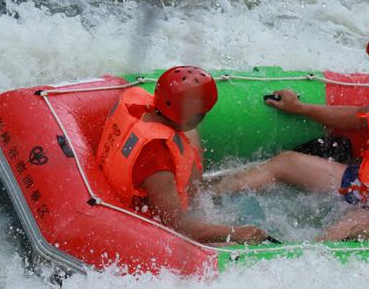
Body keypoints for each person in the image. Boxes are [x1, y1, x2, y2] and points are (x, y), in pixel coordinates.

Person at [212, 25, 369, 242]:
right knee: (285, 162)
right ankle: (207, 197)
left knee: (326, 243)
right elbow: (359, 116)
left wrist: (366, 231)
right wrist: (301, 109)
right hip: (367, 181)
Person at [97, 65, 268, 244]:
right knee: (230, 241)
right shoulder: (156, 161)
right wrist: (235, 233)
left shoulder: (140, 104)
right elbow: (177, 224)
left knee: (190, 135)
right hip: (144, 227)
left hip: (138, 177)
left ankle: (207, 188)